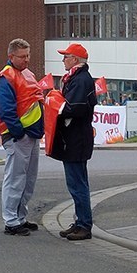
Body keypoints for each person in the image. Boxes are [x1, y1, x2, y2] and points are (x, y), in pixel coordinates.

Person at [0, 38, 45, 237]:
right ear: (11, 56)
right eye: (22, 56)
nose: (27, 60)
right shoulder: (7, 77)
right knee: (16, 178)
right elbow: (6, 110)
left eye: (28, 55)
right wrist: (17, 132)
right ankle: (11, 220)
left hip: (28, 134)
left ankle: (19, 216)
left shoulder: (24, 73)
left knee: (27, 179)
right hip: (18, 135)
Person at [50, 43, 98, 241]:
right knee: (77, 182)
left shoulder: (79, 80)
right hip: (76, 138)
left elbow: (74, 108)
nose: (63, 60)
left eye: (66, 56)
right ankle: (80, 222)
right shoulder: (77, 78)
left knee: (77, 184)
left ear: (75, 60)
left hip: (76, 139)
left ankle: (84, 224)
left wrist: (55, 106)